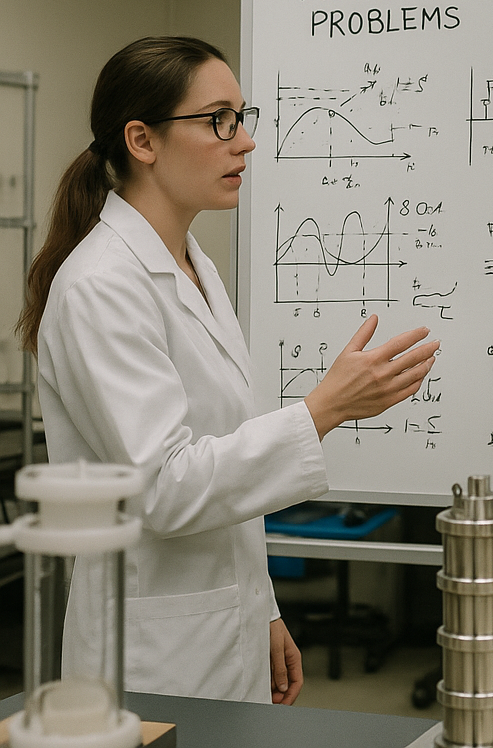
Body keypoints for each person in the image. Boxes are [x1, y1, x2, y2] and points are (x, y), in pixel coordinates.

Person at [17, 36, 440, 706]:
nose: (244, 141)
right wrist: (323, 410)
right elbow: (165, 488)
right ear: (142, 140)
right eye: (218, 120)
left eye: (242, 117)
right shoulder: (101, 285)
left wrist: (261, 607)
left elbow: (220, 466)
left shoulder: (194, 267)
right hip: (151, 652)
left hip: (221, 622)